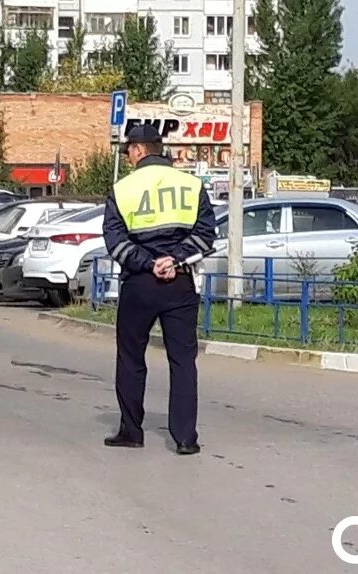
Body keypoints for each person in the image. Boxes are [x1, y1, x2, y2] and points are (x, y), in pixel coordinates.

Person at [102, 124, 216, 455]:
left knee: (130, 356)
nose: (128, 158)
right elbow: (206, 235)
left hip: (140, 283)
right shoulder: (191, 184)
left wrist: (147, 262)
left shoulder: (123, 188)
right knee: (183, 361)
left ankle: (131, 431)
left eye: (129, 153)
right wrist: (174, 259)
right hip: (180, 281)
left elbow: (115, 240)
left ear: (138, 150)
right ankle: (184, 438)